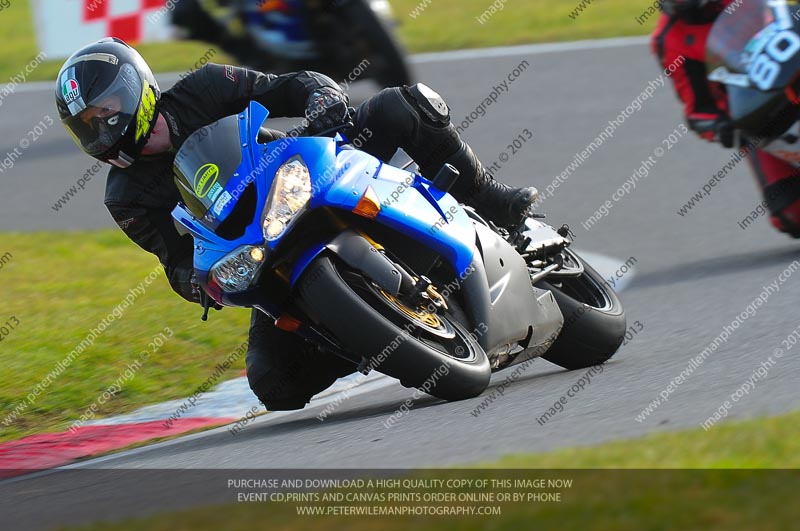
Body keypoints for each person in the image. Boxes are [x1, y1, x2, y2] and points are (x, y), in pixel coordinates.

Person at [55, 38, 537, 411]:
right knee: (274, 385)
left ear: (135, 90)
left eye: (105, 110)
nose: (101, 127)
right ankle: (371, 332)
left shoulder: (204, 87)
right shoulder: (125, 198)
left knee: (400, 105)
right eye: (88, 123)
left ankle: (491, 200)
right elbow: (175, 260)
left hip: (303, 174)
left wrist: (321, 95)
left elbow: (285, 86)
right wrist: (203, 282)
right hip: (260, 253)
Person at [652, 0, 800, 236]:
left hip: (793, 74)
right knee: (790, 213)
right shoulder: (668, 39)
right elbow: (698, 108)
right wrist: (720, 127)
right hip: (759, 122)